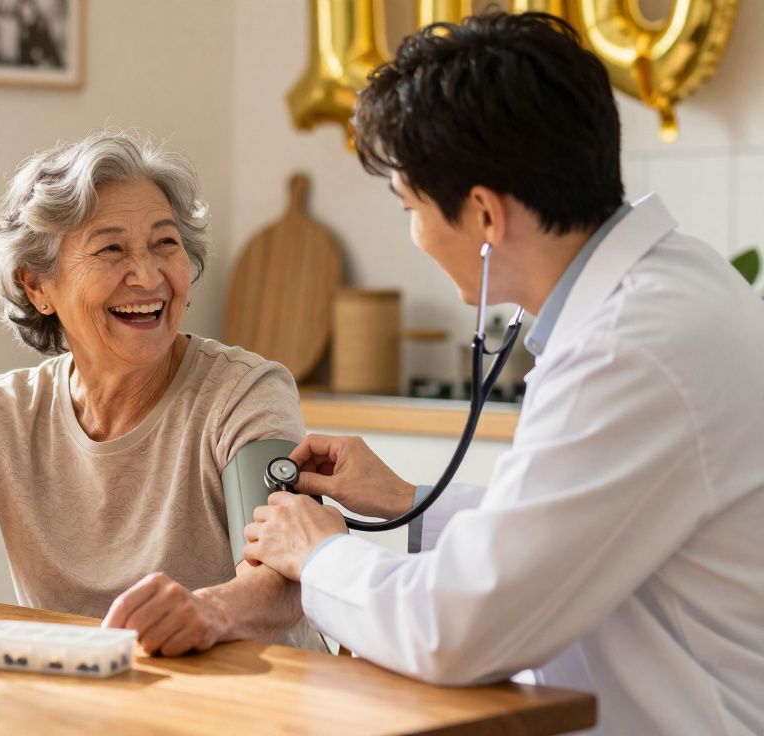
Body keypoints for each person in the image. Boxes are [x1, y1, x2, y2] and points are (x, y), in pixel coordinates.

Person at [241, 12, 764, 734]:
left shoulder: (627, 350)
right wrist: (406, 499)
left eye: (411, 208)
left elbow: (455, 631)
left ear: (484, 214)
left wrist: (318, 553)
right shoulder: (677, 281)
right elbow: (584, 516)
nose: (415, 233)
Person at [0, 130, 315, 656]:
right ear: (38, 287)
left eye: (165, 243)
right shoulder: (9, 416)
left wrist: (209, 611)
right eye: (111, 249)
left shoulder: (245, 394)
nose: (148, 275)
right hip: (87, 702)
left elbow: (284, 579)